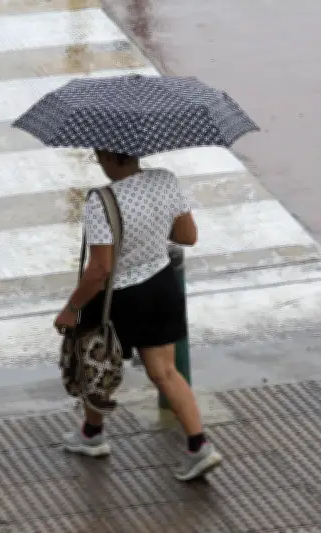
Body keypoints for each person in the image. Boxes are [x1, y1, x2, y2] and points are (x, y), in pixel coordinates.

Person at [53, 149, 223, 481]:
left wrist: (70, 309)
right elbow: (188, 236)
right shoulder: (165, 180)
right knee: (166, 372)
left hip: (115, 298)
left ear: (109, 158)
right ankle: (198, 445)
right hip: (160, 286)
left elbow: (100, 268)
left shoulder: (101, 201)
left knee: (95, 364)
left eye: (99, 153)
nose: (96, 158)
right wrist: (153, 228)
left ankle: (92, 434)